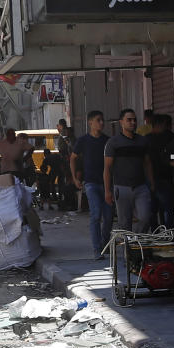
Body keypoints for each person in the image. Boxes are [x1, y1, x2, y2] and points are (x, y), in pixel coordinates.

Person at [103, 108, 154, 233]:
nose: (132, 122)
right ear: (121, 122)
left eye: (134, 120)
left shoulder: (142, 141)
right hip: (121, 188)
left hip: (141, 187)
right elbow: (107, 168)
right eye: (129, 120)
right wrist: (107, 191)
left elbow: (147, 164)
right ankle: (129, 251)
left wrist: (152, 184)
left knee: (145, 217)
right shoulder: (113, 143)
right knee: (124, 224)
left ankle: (137, 243)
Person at [71, 110, 113, 259]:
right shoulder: (83, 141)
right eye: (98, 120)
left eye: (102, 120)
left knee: (108, 218)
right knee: (96, 215)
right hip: (91, 184)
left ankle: (104, 243)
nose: (101, 123)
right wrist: (75, 178)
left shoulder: (108, 141)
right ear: (90, 123)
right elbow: (73, 158)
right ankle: (97, 249)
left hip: (107, 184)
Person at [146, 113, 174, 228]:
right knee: (169, 208)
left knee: (153, 209)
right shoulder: (170, 137)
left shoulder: (146, 139)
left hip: (150, 179)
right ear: (161, 124)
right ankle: (168, 232)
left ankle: (155, 232)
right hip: (165, 178)